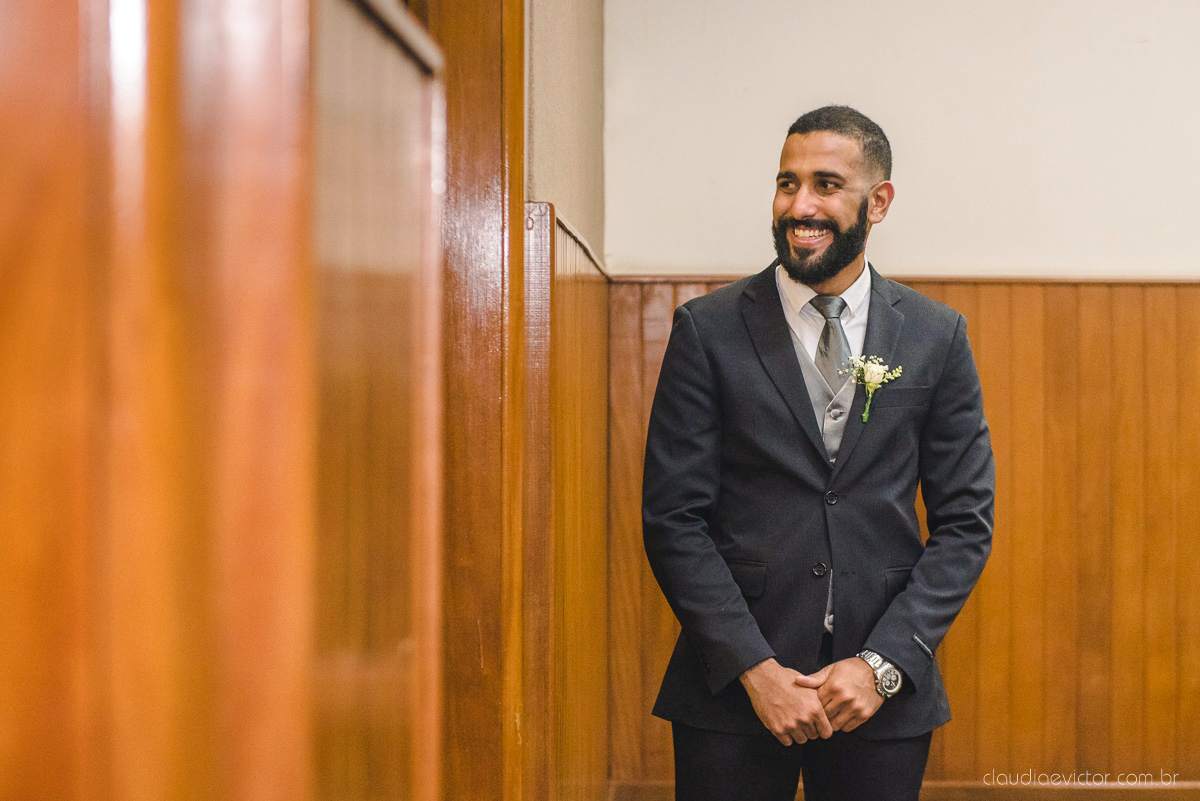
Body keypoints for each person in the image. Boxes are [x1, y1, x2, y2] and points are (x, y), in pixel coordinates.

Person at [642, 105, 995, 801]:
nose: (799, 206)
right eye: (786, 183)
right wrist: (755, 669)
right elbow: (673, 518)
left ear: (878, 201)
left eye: (826, 184)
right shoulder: (706, 331)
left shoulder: (935, 335)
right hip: (731, 695)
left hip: (879, 696)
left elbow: (965, 524)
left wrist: (882, 665)